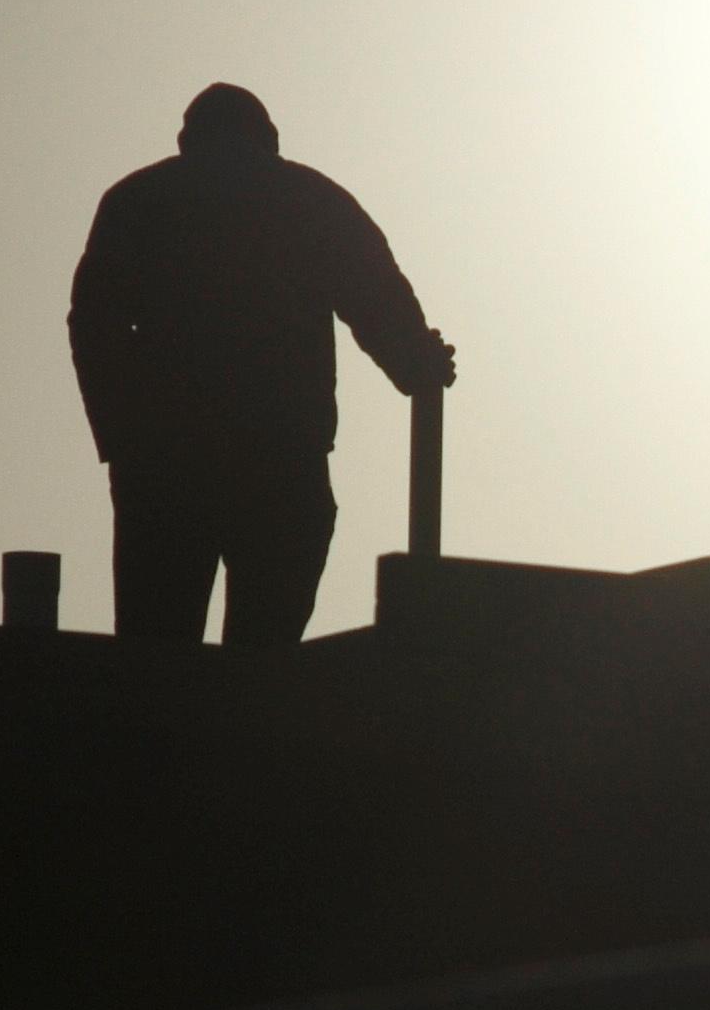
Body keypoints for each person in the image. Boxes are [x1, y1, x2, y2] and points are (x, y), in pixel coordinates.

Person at [68, 83, 455, 650]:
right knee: (260, 668)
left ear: (186, 142)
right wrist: (415, 361)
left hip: (172, 469)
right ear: (270, 140)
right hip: (275, 464)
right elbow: (376, 297)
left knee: (155, 666)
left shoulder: (139, 202)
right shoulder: (308, 200)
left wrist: (126, 441)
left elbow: (93, 328)